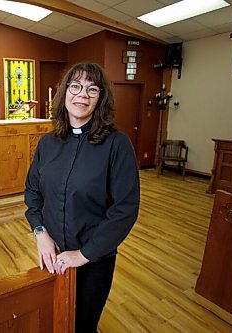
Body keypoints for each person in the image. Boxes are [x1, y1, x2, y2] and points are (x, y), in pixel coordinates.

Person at [25, 61, 140, 332]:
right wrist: (41, 233)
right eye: (75, 86)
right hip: (52, 254)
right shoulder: (48, 143)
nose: (82, 95)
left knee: (83, 325)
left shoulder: (117, 144)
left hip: (94, 258)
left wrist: (85, 254)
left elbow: (125, 209)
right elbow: (32, 192)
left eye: (92, 89)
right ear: (65, 93)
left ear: (101, 99)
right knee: (56, 318)